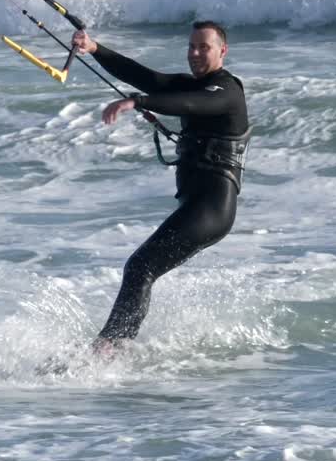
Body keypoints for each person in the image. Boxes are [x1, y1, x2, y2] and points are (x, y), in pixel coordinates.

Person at [71, 21, 251, 354]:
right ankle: (114, 349)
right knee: (142, 267)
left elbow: (192, 104)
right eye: (191, 47)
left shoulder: (227, 91)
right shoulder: (193, 85)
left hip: (212, 208)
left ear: (222, 50)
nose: (195, 53)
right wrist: (95, 48)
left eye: (204, 47)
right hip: (195, 204)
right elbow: (144, 76)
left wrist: (138, 102)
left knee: (141, 267)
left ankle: (108, 350)